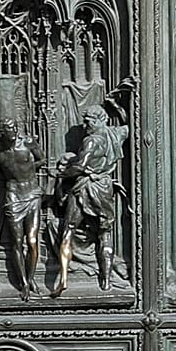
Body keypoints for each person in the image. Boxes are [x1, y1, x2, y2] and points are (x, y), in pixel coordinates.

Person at [54, 101, 129, 295]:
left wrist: (62, 174)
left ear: (99, 120)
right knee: (105, 234)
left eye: (88, 122)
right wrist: (119, 106)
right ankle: (106, 280)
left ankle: (62, 278)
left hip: (85, 187)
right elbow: (130, 126)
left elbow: (80, 167)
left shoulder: (92, 141)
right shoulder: (115, 134)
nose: (85, 126)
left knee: (68, 230)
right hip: (104, 186)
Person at [0, 119, 47, 298]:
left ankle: (31, 276)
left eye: (15, 127)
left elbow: (42, 159)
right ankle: (24, 283)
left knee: (32, 241)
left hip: (32, 192)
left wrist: (28, 170)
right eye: (9, 128)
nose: (14, 130)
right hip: (13, 196)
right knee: (16, 242)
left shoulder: (28, 142)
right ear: (2, 131)